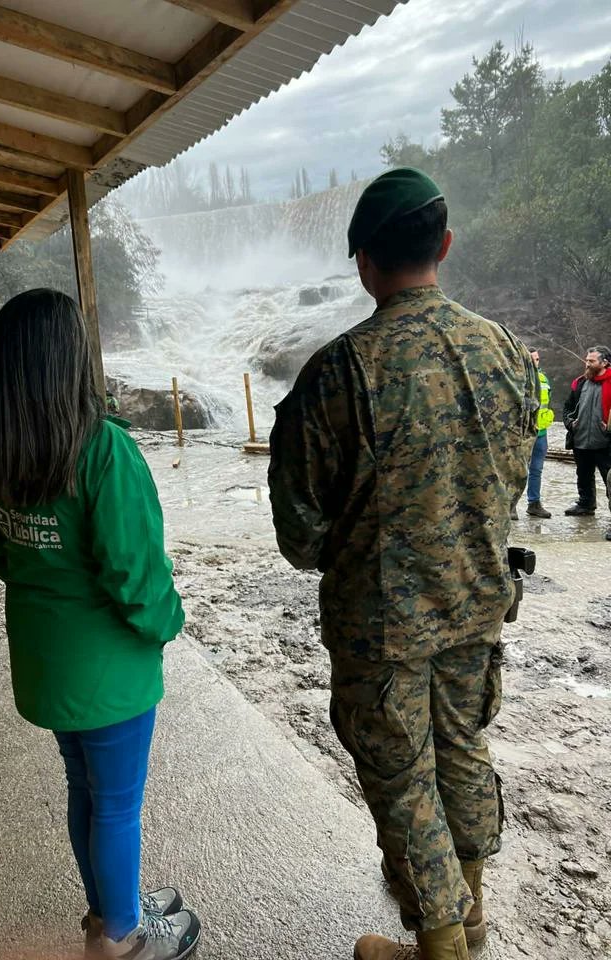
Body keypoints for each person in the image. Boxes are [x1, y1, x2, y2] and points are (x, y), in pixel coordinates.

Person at [268, 168, 538, 960]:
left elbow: (299, 535)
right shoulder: (505, 350)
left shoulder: (338, 371)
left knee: (402, 778)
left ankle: (442, 945)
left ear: (364, 263)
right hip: (479, 605)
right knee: (462, 749)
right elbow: (511, 476)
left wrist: (359, 545)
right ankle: (471, 909)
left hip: (380, 629)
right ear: (444, 246)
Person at [0, 289, 200, 960]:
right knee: (117, 803)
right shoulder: (103, 449)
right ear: (71, 356)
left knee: (84, 789)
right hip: (107, 670)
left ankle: (109, 912)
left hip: (44, 657)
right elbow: (137, 577)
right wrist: (167, 623)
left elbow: (1, 555)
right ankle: (123, 937)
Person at [563, 345, 611, 541]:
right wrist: (570, 423)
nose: (587, 363)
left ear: (605, 362)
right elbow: (567, 408)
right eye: (587, 360)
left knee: (610, 482)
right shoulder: (580, 383)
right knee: (583, 476)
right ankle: (586, 504)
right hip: (581, 439)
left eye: (592, 361)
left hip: (606, 442)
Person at [523, 348, 554, 518]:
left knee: (536, 469)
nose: (535, 362)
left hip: (541, 432)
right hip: (522, 433)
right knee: (516, 469)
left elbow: (547, 403)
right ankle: (511, 505)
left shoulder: (543, 379)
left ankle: (534, 503)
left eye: (537, 359)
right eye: (532, 359)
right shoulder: (517, 377)